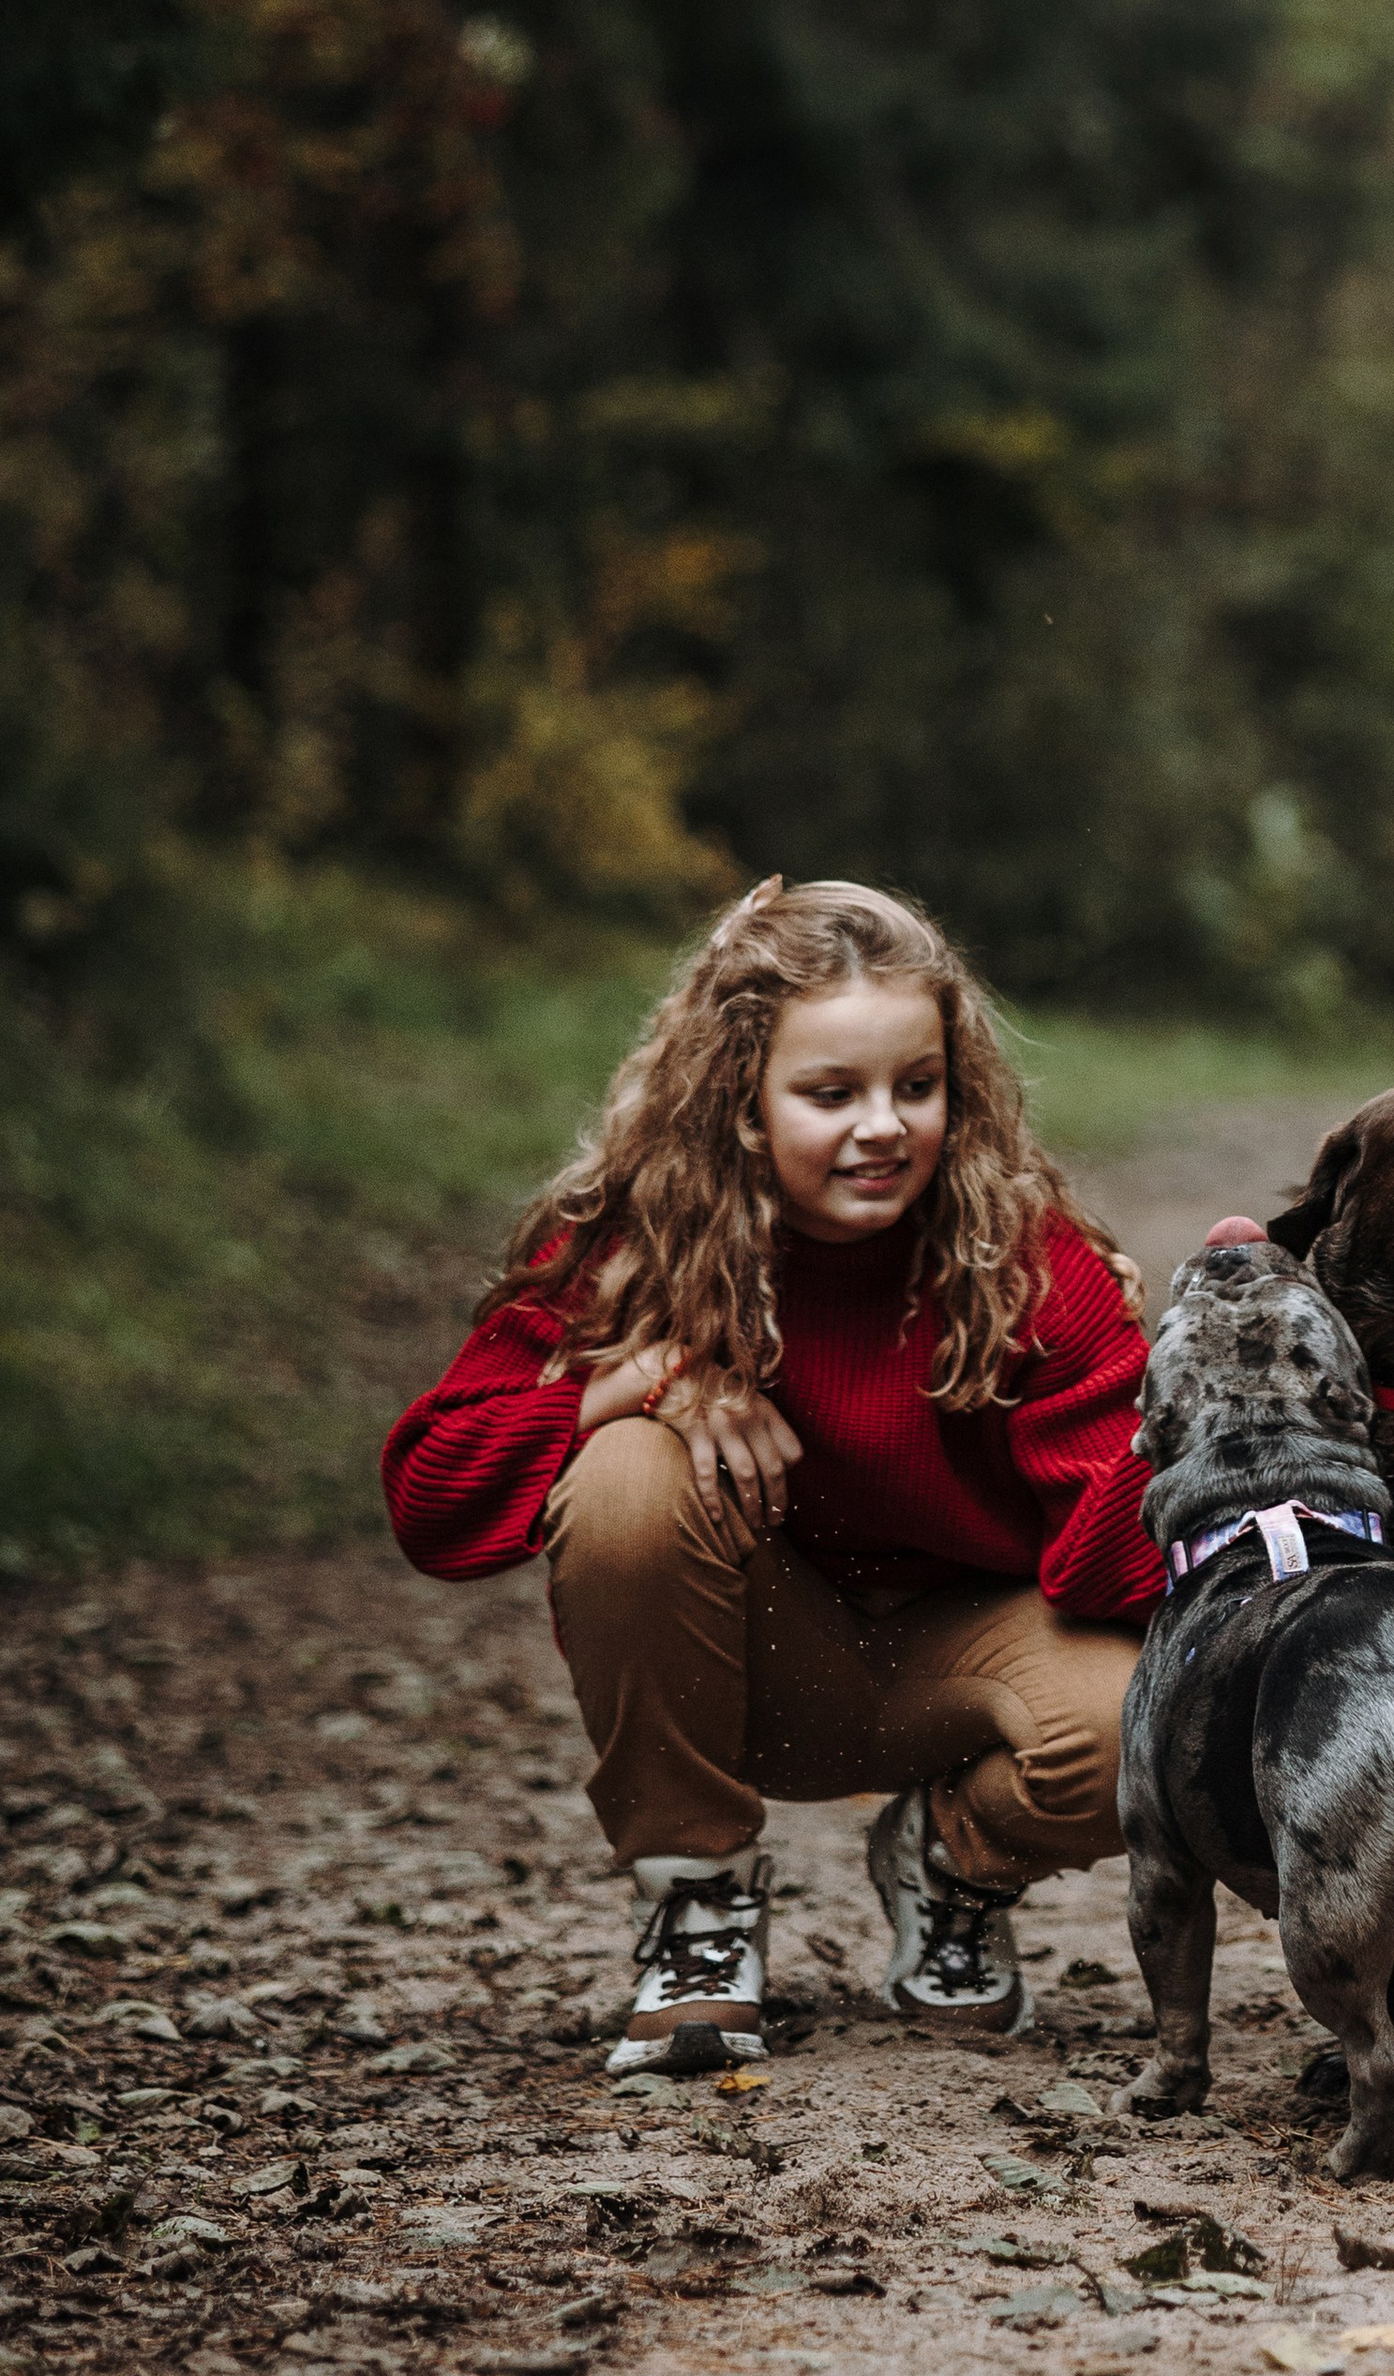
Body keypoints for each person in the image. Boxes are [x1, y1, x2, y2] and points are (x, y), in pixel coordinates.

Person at [382, 878, 1159, 2071]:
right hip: (757, 1666)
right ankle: (697, 1906)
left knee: (1147, 1720)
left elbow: (1129, 1549)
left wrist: (1207, 1434)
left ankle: (951, 1868)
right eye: (829, 1093)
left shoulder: (1024, 1256)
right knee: (632, 1468)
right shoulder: (636, 1243)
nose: (883, 1127)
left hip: (968, 1664)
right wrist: (634, 1381)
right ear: (738, 1100)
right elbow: (433, 1501)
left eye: (917, 1086)